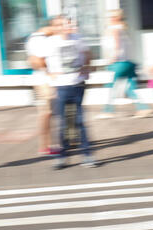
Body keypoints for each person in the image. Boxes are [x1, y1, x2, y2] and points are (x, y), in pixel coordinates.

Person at [46, 16, 97, 169]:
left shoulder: (77, 38)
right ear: (57, 27)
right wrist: (49, 73)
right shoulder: (51, 42)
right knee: (64, 123)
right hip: (61, 87)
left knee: (79, 121)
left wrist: (86, 67)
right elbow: (38, 60)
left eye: (68, 23)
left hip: (77, 85)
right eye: (63, 24)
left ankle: (87, 156)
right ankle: (62, 157)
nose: (68, 26)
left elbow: (88, 54)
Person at [97, 9, 151, 119]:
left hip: (120, 63)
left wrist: (114, 57)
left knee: (113, 86)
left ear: (117, 17)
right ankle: (143, 108)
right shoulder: (124, 28)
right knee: (129, 88)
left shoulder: (115, 28)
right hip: (128, 62)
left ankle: (108, 111)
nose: (109, 19)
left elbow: (117, 44)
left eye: (111, 17)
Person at [26, 20, 60, 156]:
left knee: (46, 113)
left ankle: (47, 146)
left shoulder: (34, 38)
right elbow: (37, 60)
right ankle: (45, 147)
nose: (57, 31)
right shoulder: (39, 39)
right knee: (46, 113)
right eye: (56, 27)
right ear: (49, 26)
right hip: (44, 81)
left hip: (41, 80)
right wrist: (49, 72)